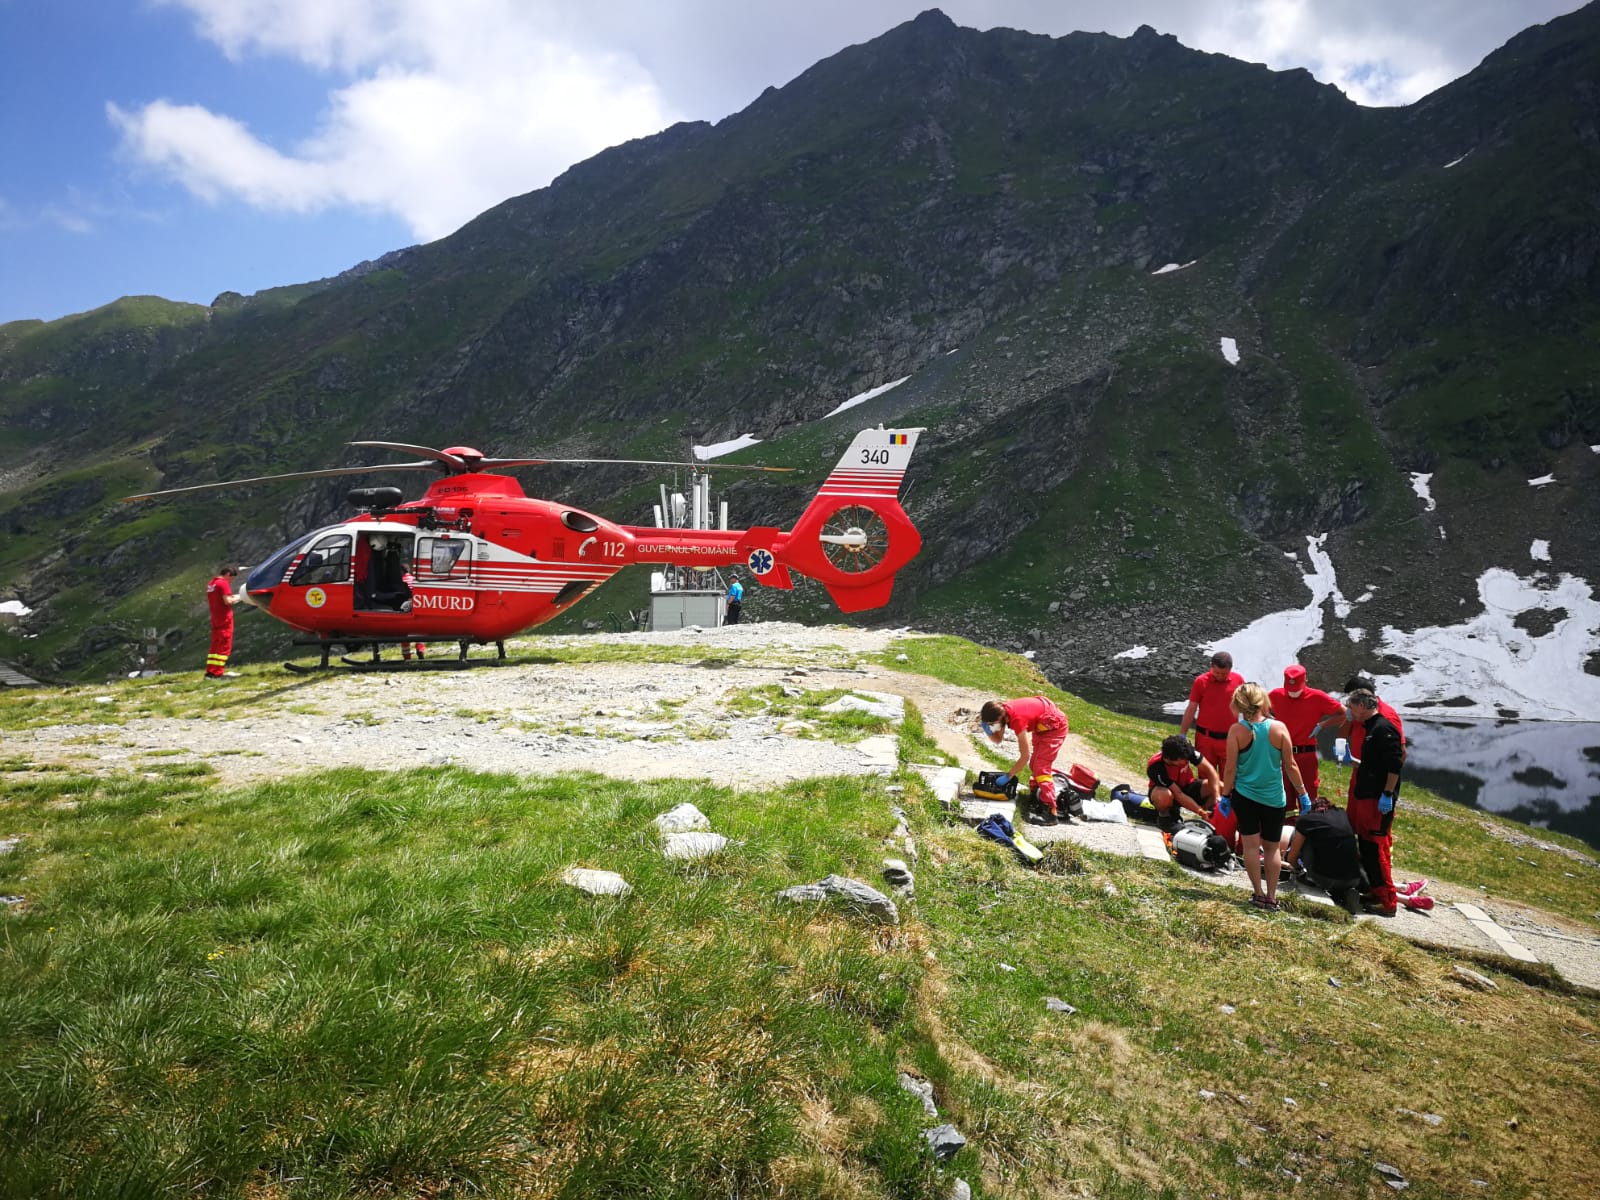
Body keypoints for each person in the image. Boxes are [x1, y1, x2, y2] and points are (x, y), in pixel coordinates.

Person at [1220, 682, 1309, 911]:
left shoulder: (1237, 731)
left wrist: (1225, 795)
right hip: (1274, 799)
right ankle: (1271, 896)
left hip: (1245, 796)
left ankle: (1257, 893)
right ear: (1263, 702)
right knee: (1271, 848)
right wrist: (1303, 794)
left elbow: (1230, 768)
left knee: (1250, 846)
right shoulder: (1278, 728)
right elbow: (1290, 764)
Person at [1345, 689, 1407, 916]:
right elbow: (1375, 764)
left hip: (1377, 800)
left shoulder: (1384, 728)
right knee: (1367, 848)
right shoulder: (1371, 728)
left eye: (1351, 707)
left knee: (1375, 848)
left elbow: (1395, 764)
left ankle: (1388, 901)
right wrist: (1353, 762)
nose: (1350, 712)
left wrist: (1388, 794)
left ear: (1362, 705)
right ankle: (1375, 890)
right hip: (1366, 795)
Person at [980, 695, 1070, 823]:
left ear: (998, 719)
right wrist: (988, 731)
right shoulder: (1003, 712)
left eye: (992, 724)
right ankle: (1035, 797)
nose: (993, 726)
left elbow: (1024, 756)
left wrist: (1009, 776)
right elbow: (998, 739)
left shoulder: (1016, 719)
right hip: (1043, 727)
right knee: (1035, 764)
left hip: (1055, 727)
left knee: (1041, 768)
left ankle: (1050, 811)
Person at [1268, 664, 1345, 803]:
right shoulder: (1275, 695)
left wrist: (1322, 725)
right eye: (1289, 689)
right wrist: (1271, 722)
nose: (1293, 693)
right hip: (1282, 754)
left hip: (1306, 755)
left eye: (1296, 689)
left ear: (1305, 681)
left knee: (1309, 794)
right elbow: (1259, 709)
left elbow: (1345, 713)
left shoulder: (1317, 697)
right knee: (1283, 795)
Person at [1287, 797, 1366, 913]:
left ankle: (1310, 878)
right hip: (1354, 878)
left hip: (1324, 878)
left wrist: (1294, 867)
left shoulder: (1307, 821)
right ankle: (1343, 894)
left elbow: (1292, 857)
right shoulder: (1342, 814)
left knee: (1305, 838)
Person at [1180, 651, 1244, 772]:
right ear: (1211, 666)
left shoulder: (1238, 680)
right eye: (1216, 672)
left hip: (1229, 739)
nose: (1219, 676)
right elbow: (1191, 708)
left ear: (1230, 669)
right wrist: (1183, 734)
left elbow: (1246, 706)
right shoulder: (1200, 681)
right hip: (1205, 739)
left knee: (1229, 778)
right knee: (1206, 778)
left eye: (1224, 673)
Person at [1145, 734, 1221, 832]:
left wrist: (1217, 797)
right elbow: (1178, 794)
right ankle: (1165, 818)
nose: (1186, 761)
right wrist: (1200, 811)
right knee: (1163, 795)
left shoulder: (1186, 752)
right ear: (1169, 759)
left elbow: (1210, 770)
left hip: (1187, 785)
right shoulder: (1156, 767)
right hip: (1170, 792)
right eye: (1183, 760)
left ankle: (1209, 819)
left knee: (1219, 786)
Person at [204, 563, 242, 679]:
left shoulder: (211, 584)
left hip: (215, 619)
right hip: (225, 619)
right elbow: (228, 601)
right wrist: (240, 598)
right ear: (228, 574)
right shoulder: (223, 584)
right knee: (224, 646)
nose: (231, 581)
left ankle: (210, 671)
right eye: (231, 578)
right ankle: (217, 673)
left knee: (215, 647)